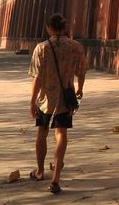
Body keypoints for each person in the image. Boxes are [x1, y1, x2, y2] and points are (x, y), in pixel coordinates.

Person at [28, 13, 87, 194]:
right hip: (65, 96)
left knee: (42, 132)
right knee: (61, 133)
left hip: (47, 98)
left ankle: (40, 171)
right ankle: (56, 178)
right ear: (65, 27)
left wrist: (32, 100)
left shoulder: (42, 48)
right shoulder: (75, 47)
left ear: (49, 28)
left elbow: (37, 77)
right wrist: (80, 88)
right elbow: (82, 71)